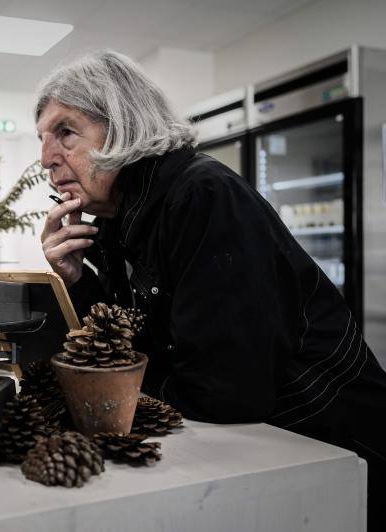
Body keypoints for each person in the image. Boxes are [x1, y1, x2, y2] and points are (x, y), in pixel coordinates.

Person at [37, 50, 386, 525]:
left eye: (65, 132)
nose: (45, 159)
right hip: (268, 455)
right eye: (42, 139)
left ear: (122, 126)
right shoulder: (119, 223)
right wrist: (77, 280)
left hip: (337, 457)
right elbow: (124, 348)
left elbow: (223, 392)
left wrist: (126, 390)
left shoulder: (202, 196)